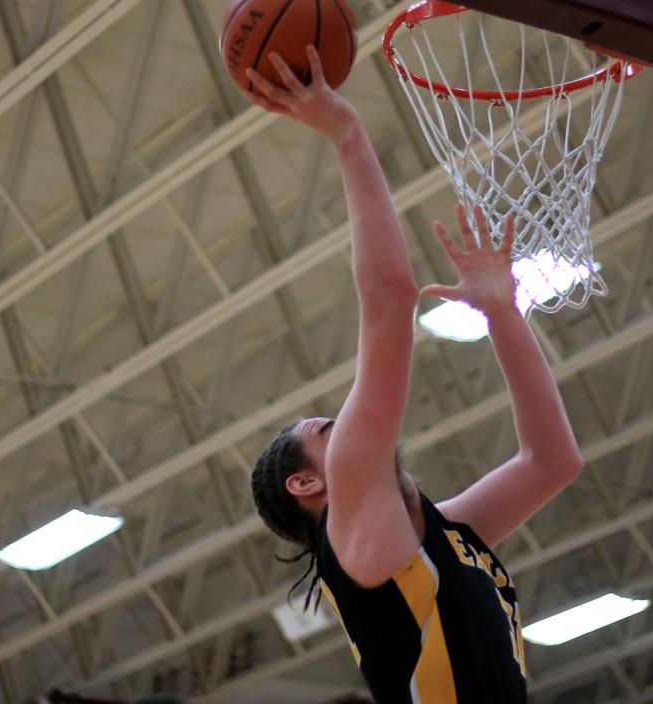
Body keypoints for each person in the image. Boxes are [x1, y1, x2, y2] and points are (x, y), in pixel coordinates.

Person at [247, 46, 584, 704]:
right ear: (307, 482)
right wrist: (347, 135)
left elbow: (552, 461)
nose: (348, 426)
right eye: (326, 429)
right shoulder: (351, 521)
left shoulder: (439, 536)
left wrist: (503, 313)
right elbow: (389, 301)